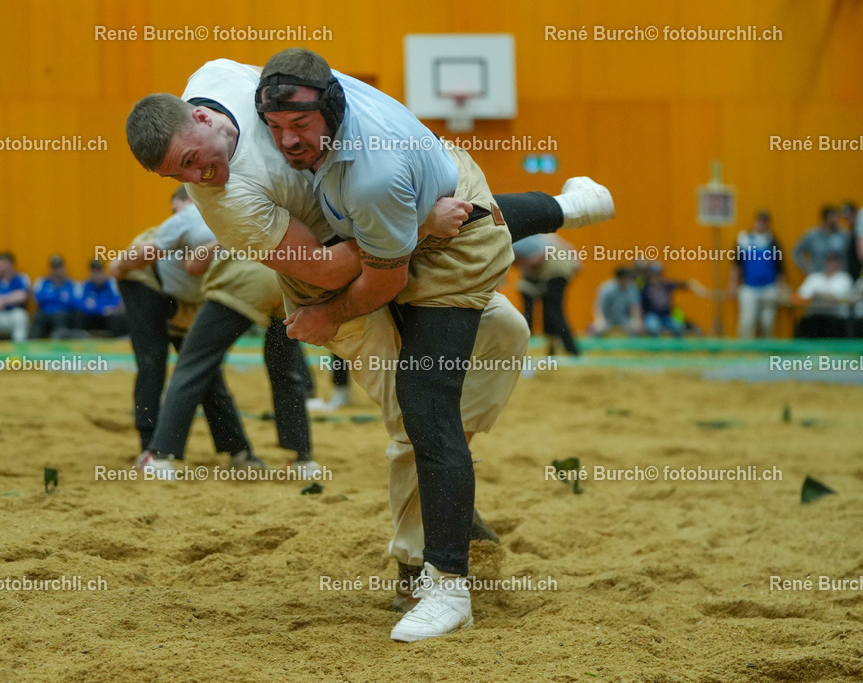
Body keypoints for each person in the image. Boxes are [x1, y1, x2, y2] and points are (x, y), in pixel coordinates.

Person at [124, 55, 611, 641]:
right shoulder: (227, 205)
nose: (200, 176)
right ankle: (421, 564)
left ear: (202, 115)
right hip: (329, 281)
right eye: (180, 175)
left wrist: (411, 221)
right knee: (418, 416)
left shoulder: (224, 74)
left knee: (505, 335)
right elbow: (330, 270)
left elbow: (382, 179)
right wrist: (414, 225)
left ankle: (450, 511)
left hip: (382, 220)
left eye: (194, 159)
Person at [113, 190, 318, 474]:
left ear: (193, 199)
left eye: (179, 206)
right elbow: (151, 258)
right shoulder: (192, 220)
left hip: (209, 294)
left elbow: (194, 266)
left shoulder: (214, 212)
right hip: (150, 284)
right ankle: (151, 447)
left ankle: (235, 450)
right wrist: (118, 266)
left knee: (200, 367)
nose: (174, 214)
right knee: (154, 362)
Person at [513, 233, 582, 354]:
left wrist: (521, 264)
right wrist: (576, 261)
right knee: (549, 312)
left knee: (553, 311)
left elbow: (542, 254)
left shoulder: (517, 242)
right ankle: (554, 349)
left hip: (554, 271)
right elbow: (566, 248)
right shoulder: (538, 235)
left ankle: (572, 349)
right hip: (558, 269)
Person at [728, 210, 785, 338]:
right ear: (755, 222)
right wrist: (732, 283)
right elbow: (736, 265)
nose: (761, 225)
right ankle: (744, 353)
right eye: (759, 221)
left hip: (769, 288)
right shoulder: (743, 240)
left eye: (764, 222)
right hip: (749, 287)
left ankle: (767, 353)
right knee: (747, 322)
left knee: (768, 323)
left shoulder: (773, 242)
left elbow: (780, 268)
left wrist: (781, 288)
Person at [794, 252, 855, 338]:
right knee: (804, 323)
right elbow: (801, 296)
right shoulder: (814, 277)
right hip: (814, 318)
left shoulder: (844, 278)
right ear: (824, 262)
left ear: (839, 263)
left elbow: (835, 298)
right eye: (828, 261)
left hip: (836, 319)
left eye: (833, 261)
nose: (830, 264)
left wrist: (817, 295)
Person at [641, 262, 707, 337]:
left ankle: (678, 348)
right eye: (653, 274)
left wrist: (696, 287)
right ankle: (655, 348)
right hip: (652, 315)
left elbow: (684, 284)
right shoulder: (645, 288)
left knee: (678, 327)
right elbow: (639, 306)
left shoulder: (666, 285)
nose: (655, 277)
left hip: (666, 316)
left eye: (658, 274)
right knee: (654, 327)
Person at [76, 260, 127, 336]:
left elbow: (118, 301)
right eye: (94, 272)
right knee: (78, 316)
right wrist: (100, 309)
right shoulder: (85, 285)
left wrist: (110, 308)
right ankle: (83, 336)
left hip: (108, 316)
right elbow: (79, 304)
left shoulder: (111, 284)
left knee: (118, 317)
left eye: (99, 272)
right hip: (92, 316)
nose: (97, 275)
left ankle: (117, 337)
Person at [31, 254, 78, 339]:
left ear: (64, 268)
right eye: (54, 268)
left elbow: (74, 302)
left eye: (59, 267)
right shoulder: (42, 282)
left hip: (64, 314)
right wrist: (60, 299)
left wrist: (52, 298)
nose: (57, 271)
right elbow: (39, 299)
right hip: (45, 313)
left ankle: (60, 346)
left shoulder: (71, 284)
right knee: (37, 317)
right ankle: (32, 344)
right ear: (50, 269)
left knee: (60, 317)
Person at [793, 205, 849, 274]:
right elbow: (796, 252)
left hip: (839, 275)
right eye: (834, 216)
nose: (836, 219)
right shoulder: (812, 236)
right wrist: (807, 267)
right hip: (818, 274)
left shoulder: (844, 235)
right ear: (827, 218)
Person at [590, 267, 643, 337]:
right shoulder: (606, 289)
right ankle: (598, 347)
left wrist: (636, 320)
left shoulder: (631, 288)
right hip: (608, 319)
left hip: (624, 319)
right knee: (597, 329)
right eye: (624, 279)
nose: (626, 281)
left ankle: (633, 346)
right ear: (618, 279)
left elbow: (635, 307)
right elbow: (599, 308)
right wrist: (600, 321)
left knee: (637, 327)